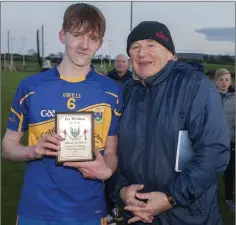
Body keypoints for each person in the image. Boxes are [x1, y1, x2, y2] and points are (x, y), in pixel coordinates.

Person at [2, 3, 122, 225]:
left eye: (93, 38)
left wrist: (107, 170)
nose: (84, 45)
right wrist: (33, 151)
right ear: (62, 35)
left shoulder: (111, 92)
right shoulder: (30, 87)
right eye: (77, 35)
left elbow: (111, 151)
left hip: (91, 212)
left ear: (100, 44)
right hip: (36, 210)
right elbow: (7, 147)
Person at [115, 21, 230, 225]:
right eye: (135, 47)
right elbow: (112, 151)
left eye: (151, 45)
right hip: (137, 215)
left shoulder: (195, 87)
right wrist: (122, 190)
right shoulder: (126, 93)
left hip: (188, 217)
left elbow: (214, 151)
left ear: (170, 54)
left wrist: (171, 197)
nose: (142, 53)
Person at [214, 68, 235, 211]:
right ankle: (210, 198)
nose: (224, 82)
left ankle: (228, 199)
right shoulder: (209, 96)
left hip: (230, 142)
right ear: (215, 81)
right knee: (212, 173)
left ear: (231, 82)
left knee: (230, 173)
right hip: (212, 143)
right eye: (221, 79)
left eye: (227, 80)